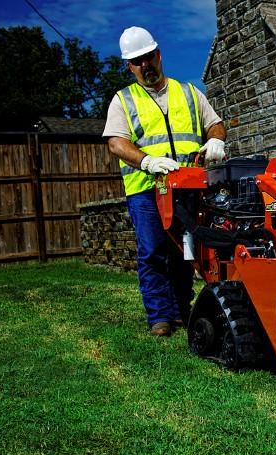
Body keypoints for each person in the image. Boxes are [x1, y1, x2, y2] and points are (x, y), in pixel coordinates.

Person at [103, 26, 226, 337]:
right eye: (137, 61)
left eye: (149, 57)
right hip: (146, 190)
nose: (146, 65)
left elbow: (216, 125)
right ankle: (160, 317)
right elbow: (116, 143)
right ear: (129, 67)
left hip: (187, 186)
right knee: (153, 251)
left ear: (158, 55)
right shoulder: (123, 100)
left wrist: (215, 142)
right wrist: (146, 161)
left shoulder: (189, 92)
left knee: (184, 251)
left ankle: (181, 310)